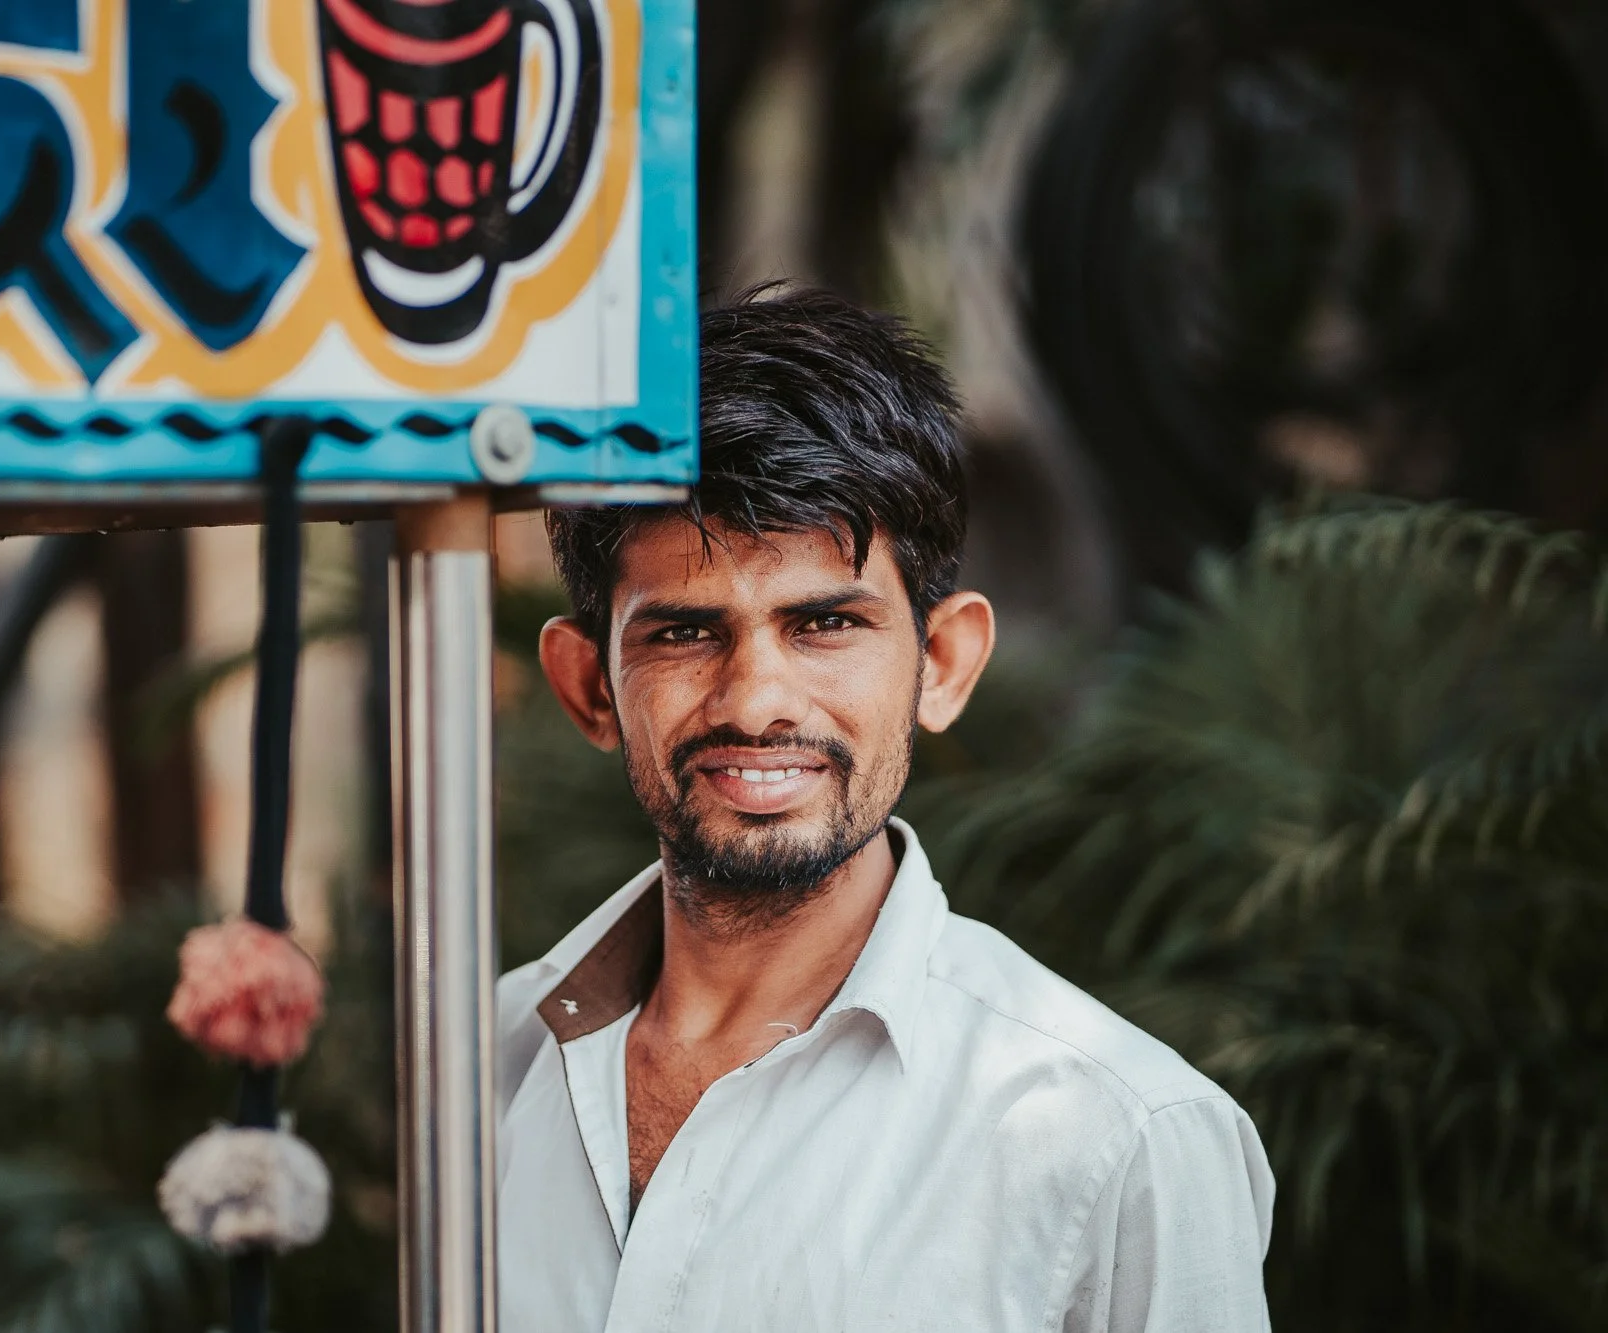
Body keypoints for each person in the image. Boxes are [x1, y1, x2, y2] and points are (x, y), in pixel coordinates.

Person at [497, 287, 1274, 1331]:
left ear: (942, 663)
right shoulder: (479, 1064)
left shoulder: (1121, 1135)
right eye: (683, 633)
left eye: (823, 621)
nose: (756, 699)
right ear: (589, 685)